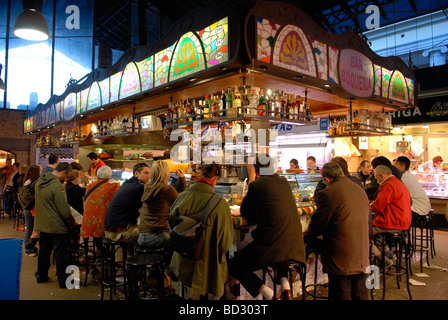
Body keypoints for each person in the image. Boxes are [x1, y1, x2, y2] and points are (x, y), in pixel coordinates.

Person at [228, 156, 306, 300]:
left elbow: (245, 212)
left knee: (234, 264)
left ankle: (269, 295)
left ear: (257, 170)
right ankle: (286, 289)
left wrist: (252, 177)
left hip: (271, 246)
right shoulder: (283, 182)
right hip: (296, 247)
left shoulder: (258, 185)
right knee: (281, 260)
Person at [305, 162, 370, 300]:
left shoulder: (328, 193)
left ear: (327, 179)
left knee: (341, 293)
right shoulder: (359, 189)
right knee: (359, 293)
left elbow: (318, 225)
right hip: (362, 251)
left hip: (341, 254)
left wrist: (306, 235)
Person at [169, 163, 233, 299]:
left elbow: (172, 223)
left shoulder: (182, 196)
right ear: (215, 179)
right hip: (206, 269)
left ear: (200, 175)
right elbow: (225, 242)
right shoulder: (220, 204)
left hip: (181, 263)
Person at [34, 162, 76, 288]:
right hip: (57, 226)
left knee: (44, 251)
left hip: (43, 223)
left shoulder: (40, 182)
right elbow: (63, 209)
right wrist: (71, 222)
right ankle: (64, 281)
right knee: (61, 254)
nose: (66, 179)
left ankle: (41, 276)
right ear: (64, 172)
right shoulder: (57, 186)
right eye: (66, 176)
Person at [138, 160, 187, 250]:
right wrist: (182, 179)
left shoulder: (146, 187)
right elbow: (183, 202)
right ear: (165, 172)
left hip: (142, 236)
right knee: (184, 244)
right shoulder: (166, 189)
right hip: (157, 236)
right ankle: (168, 264)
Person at [370, 165, 412, 266]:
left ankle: (382, 259)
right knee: (375, 233)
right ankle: (389, 254)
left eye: (376, 178)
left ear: (381, 175)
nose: (376, 181)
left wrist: (369, 205)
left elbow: (377, 207)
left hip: (393, 222)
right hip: (402, 221)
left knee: (361, 233)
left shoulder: (388, 185)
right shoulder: (398, 183)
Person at [105, 162, 150, 244]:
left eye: (149, 173)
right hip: (119, 233)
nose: (149, 176)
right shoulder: (140, 187)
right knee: (152, 234)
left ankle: (132, 253)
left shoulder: (127, 183)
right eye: (146, 173)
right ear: (136, 174)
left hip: (109, 231)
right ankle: (142, 256)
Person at [81, 166, 120, 258]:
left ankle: (98, 251)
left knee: (97, 226)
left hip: (87, 222)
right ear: (109, 176)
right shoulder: (112, 187)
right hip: (101, 223)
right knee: (107, 224)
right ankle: (104, 254)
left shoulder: (90, 186)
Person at [22, 165, 42, 257]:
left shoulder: (28, 181)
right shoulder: (33, 182)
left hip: (28, 208)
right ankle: (28, 249)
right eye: (40, 170)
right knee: (30, 229)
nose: (42, 172)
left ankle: (31, 247)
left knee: (32, 229)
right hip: (30, 208)